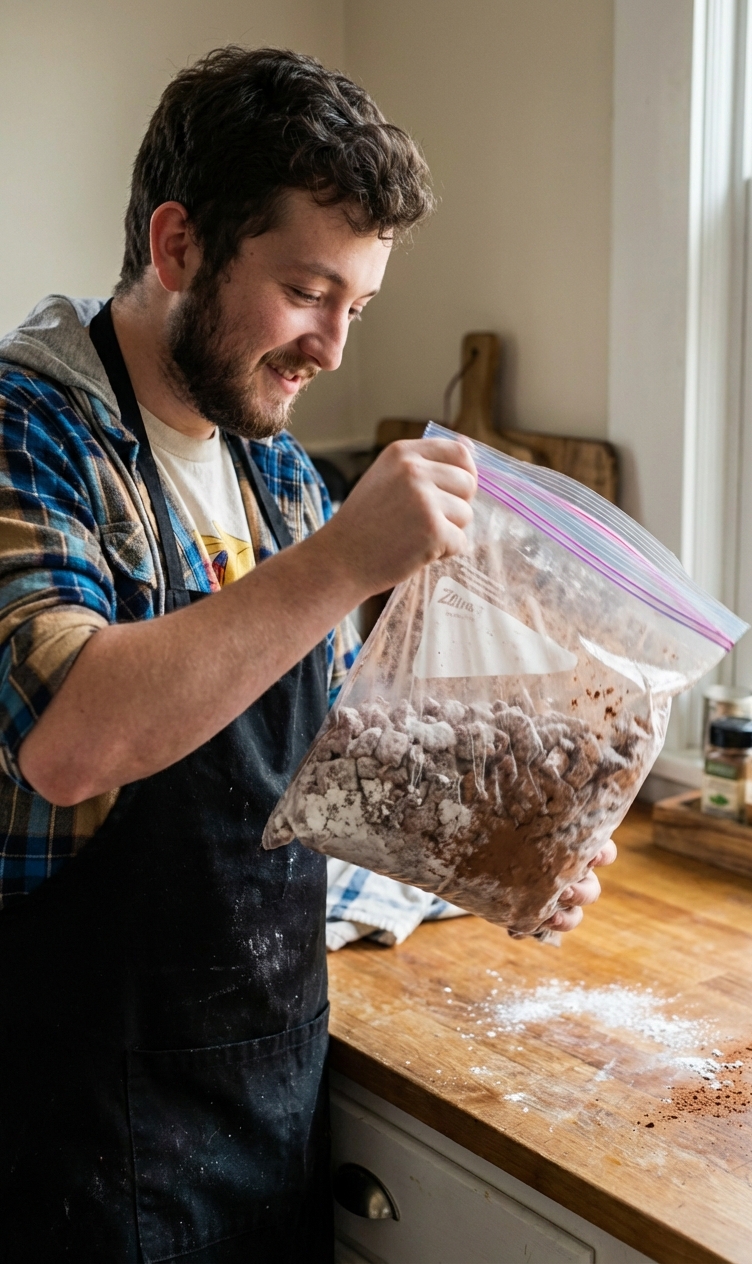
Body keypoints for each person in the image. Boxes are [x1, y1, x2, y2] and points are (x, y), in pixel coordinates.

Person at [0, 45, 615, 1262]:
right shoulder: (31, 432)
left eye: (359, 307)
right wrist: (343, 558)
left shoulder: (267, 466)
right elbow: (72, 742)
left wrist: (504, 853)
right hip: (67, 1134)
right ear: (178, 247)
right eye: (305, 290)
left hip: (261, 1104)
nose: (332, 347)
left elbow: (322, 768)